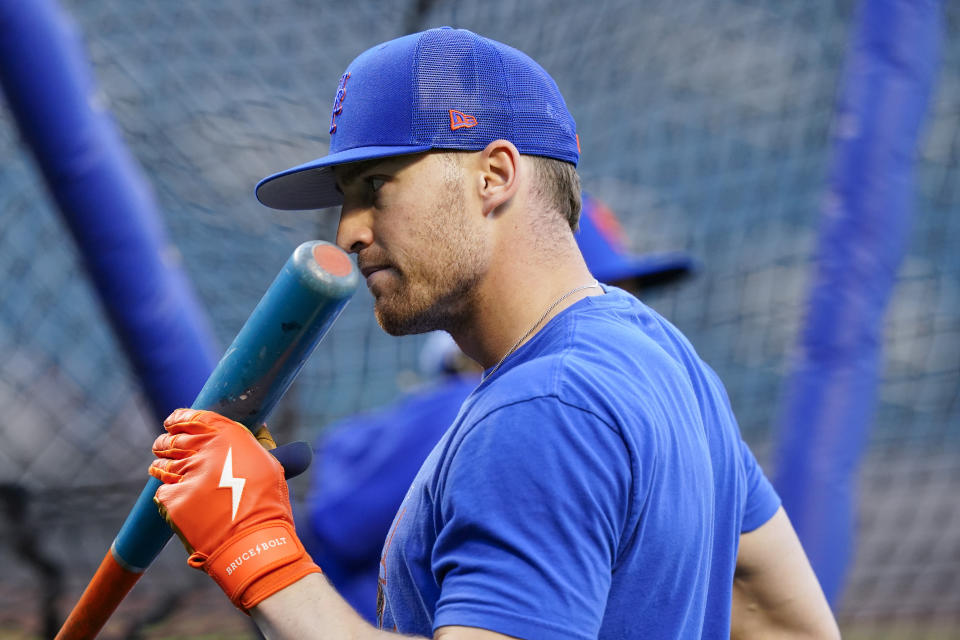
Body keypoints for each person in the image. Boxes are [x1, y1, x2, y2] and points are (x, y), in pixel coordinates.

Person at [148, 27, 840, 639]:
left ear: (495, 174)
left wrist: (257, 549)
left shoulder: (541, 410)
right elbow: (789, 625)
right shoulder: (666, 359)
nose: (349, 231)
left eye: (377, 187)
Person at [300, 193, 694, 624]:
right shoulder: (511, 408)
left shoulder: (631, 402)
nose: (623, 317)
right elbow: (328, 531)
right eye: (605, 295)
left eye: (628, 299)